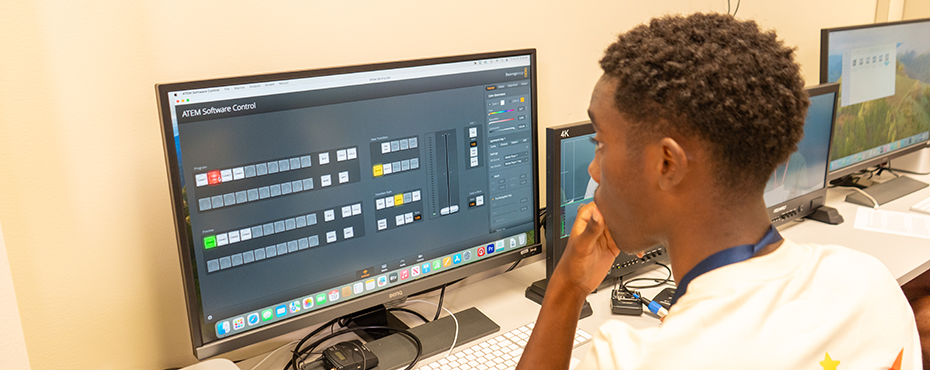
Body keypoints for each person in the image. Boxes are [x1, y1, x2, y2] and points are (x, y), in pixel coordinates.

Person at [516, 13, 920, 370]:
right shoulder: (870, 282)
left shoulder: (634, 360)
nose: (593, 170)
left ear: (667, 164)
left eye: (600, 143)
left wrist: (567, 287)